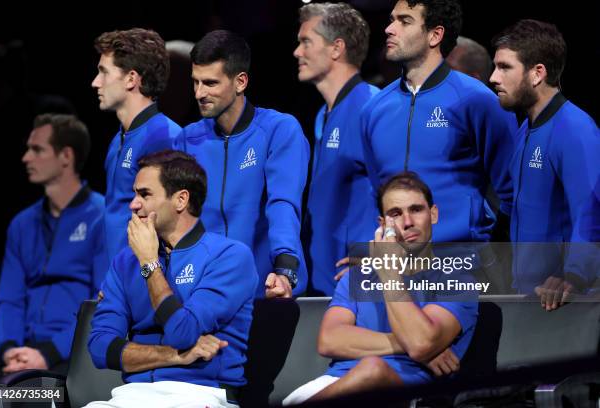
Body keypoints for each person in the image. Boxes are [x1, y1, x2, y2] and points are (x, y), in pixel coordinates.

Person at [283, 172, 478, 404]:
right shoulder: (358, 276)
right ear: (383, 224)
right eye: (395, 214)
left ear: (433, 214)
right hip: (333, 385)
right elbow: (329, 339)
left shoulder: (456, 279)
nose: (407, 222)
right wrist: (405, 346)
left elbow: (421, 342)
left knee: (372, 370)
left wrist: (388, 272)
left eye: (416, 210)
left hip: (405, 396)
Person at [87, 150, 258, 408]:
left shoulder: (229, 257)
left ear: (180, 200)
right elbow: (99, 348)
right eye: (134, 194)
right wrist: (174, 357)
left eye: (144, 194)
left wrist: (148, 264)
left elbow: (183, 332)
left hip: (200, 394)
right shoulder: (124, 262)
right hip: (132, 394)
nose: (133, 204)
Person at [361, 0, 518, 245]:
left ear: (435, 35)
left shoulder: (477, 101)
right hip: (397, 263)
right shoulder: (373, 109)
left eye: (404, 21)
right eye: (392, 20)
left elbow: (512, 190)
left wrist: (496, 256)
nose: (389, 29)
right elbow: (377, 192)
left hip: (461, 263)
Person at [175, 30, 309, 298]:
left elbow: (283, 203)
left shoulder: (278, 130)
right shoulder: (187, 139)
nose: (199, 93)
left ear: (240, 82)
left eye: (210, 83)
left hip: (262, 288)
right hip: (203, 295)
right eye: (195, 82)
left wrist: (285, 269)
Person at [490, 19, 600, 309]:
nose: (493, 77)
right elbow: (514, 207)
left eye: (504, 67)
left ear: (538, 73)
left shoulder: (576, 130)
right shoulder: (524, 130)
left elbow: (590, 213)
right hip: (529, 299)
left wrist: (573, 277)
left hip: (566, 303)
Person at [0, 114, 107, 379]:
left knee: (29, 399)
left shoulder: (101, 218)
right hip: (22, 356)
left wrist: (49, 353)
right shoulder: (22, 224)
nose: (26, 158)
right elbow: (9, 298)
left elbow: (101, 303)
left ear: (66, 156)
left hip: (73, 357)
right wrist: (10, 349)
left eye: (37, 150)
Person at [294, 2, 379, 296]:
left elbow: (405, 187)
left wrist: (378, 260)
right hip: (322, 282)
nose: (297, 52)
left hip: (360, 288)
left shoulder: (372, 107)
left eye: (306, 42)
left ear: (336, 48)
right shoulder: (323, 114)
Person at [92, 28, 181, 263]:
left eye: (104, 72)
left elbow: (172, 229)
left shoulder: (164, 137)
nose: (95, 82)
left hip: (147, 286)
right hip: (118, 283)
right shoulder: (117, 140)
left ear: (131, 79)